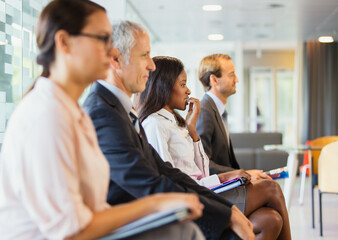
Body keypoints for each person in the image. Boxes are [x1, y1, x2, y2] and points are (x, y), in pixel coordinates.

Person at [0, 1, 205, 239]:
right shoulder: (46, 115)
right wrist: (156, 204)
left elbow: (93, 210)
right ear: (64, 42)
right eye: (102, 39)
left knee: (182, 229)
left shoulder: (74, 112)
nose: (112, 51)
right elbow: (71, 230)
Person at [83, 20, 255, 240]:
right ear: (116, 59)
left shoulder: (119, 109)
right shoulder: (102, 112)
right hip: (126, 223)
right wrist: (222, 214)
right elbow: (148, 183)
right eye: (144, 55)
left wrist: (227, 210)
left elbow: (164, 169)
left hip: (146, 213)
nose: (151, 66)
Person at [137, 56, 292, 240]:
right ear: (164, 86)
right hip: (197, 198)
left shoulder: (177, 123)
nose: (188, 91)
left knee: (270, 220)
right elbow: (172, 182)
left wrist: (192, 131)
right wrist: (224, 177)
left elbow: (201, 172)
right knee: (271, 188)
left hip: (207, 190)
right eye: (182, 84)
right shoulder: (154, 124)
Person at [196, 53, 292, 239]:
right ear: (214, 80)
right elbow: (203, 164)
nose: (237, 79)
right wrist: (244, 173)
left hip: (230, 185)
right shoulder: (205, 111)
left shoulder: (218, 110)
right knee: (271, 187)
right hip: (216, 192)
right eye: (231, 74)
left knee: (272, 220)